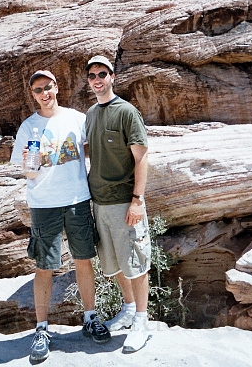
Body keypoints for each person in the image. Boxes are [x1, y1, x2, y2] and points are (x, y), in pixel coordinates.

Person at [10, 69, 110, 361]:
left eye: (48, 87)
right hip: (44, 204)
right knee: (45, 266)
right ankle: (42, 329)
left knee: (83, 260)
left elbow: (95, 147)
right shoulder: (29, 127)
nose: (44, 93)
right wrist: (32, 161)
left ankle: (90, 318)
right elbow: (29, 172)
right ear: (33, 95)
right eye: (38, 90)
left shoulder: (76, 119)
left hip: (77, 199)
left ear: (57, 87)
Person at [84, 55, 152, 353]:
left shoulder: (126, 112)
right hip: (100, 203)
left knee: (135, 263)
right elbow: (92, 150)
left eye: (102, 73)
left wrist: (137, 200)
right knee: (115, 264)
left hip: (125, 202)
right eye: (92, 75)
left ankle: (141, 322)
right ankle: (128, 309)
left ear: (112, 77)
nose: (97, 79)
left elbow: (142, 157)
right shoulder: (91, 114)